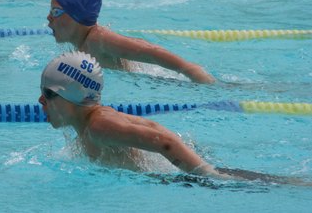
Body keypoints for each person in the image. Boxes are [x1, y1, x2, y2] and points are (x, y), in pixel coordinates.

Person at [38, 51, 310, 185]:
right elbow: (153, 128)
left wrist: (207, 175)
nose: (40, 101)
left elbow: (163, 139)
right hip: (167, 171)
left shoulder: (99, 126)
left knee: (271, 184)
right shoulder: (96, 120)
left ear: (70, 96)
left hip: (182, 178)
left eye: (47, 94)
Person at [47, 0, 215, 84]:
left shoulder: (98, 39)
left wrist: (189, 70)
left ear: (76, 15)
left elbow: (148, 50)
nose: (48, 18)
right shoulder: (81, 45)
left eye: (55, 12)